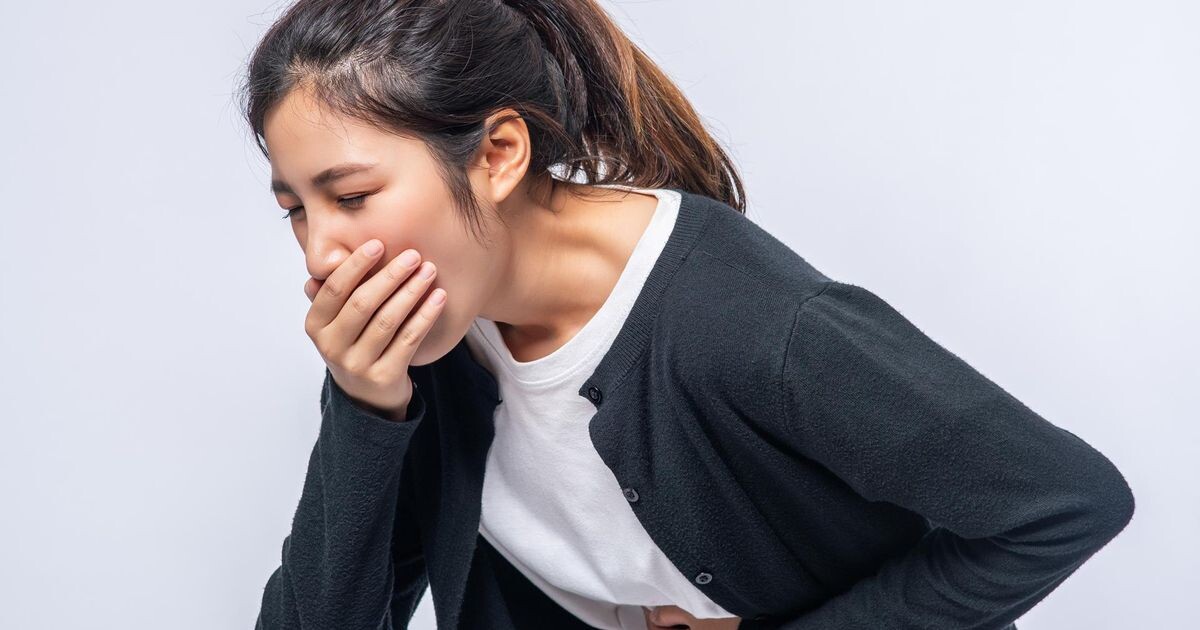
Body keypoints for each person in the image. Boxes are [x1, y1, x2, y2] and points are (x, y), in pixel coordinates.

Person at [240, 1, 1135, 629]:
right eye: (295, 210)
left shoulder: (745, 323)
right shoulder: (423, 339)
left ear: (500, 154)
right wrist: (366, 409)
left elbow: (1062, 505)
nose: (321, 254)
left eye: (350, 195)